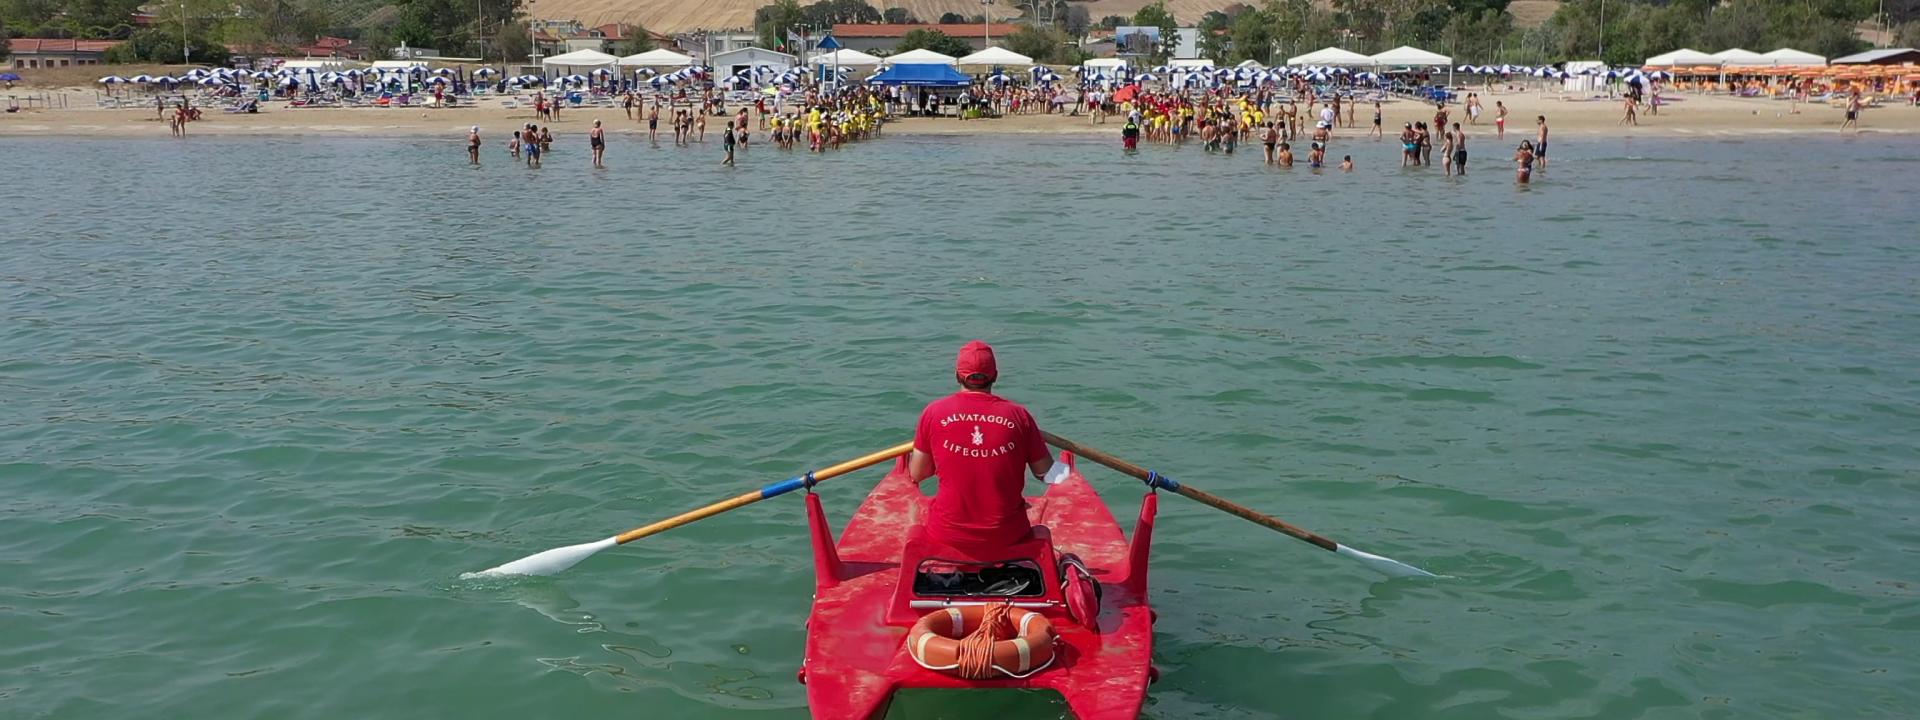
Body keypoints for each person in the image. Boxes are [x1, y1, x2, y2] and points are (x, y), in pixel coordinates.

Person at [907, 341, 1057, 558]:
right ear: (995, 375)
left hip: (947, 534)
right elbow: (1047, 474)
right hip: (1008, 536)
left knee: (914, 514)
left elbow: (917, 473)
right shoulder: (1019, 416)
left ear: (957, 374)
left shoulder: (933, 412)